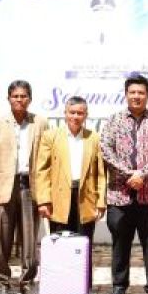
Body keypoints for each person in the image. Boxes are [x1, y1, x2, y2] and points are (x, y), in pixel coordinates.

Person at [100, 75, 148, 294]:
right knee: (120, 243)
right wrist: (128, 174)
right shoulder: (113, 121)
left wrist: (142, 174)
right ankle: (119, 287)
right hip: (119, 195)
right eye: (132, 92)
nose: (136, 96)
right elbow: (105, 150)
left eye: (141, 93)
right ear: (126, 94)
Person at [0, 80, 48, 294]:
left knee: (30, 238)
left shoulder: (40, 123)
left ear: (30, 98)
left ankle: (28, 281)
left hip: (30, 186)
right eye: (15, 96)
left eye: (24, 96)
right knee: (1, 238)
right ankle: (2, 282)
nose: (20, 100)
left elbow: (45, 159)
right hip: (4, 188)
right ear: (8, 98)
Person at [34, 96, 106, 238]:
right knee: (60, 245)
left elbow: (101, 173)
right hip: (58, 199)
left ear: (86, 115)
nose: (75, 116)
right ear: (65, 113)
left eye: (80, 113)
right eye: (72, 112)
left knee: (83, 245)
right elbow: (42, 171)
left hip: (86, 199)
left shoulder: (94, 138)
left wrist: (101, 201)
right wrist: (43, 201)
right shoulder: (50, 136)